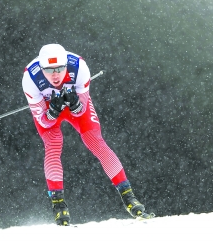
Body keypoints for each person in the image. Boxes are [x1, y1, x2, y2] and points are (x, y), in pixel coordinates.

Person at [22, 43, 154, 226]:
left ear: (66, 65)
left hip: (72, 103)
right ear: (41, 68)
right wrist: (52, 112)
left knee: (95, 141)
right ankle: (58, 203)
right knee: (53, 143)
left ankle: (128, 196)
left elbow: (80, 111)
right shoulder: (30, 78)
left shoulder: (79, 67)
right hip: (47, 109)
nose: (55, 75)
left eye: (60, 69)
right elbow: (44, 121)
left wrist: (75, 105)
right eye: (49, 70)